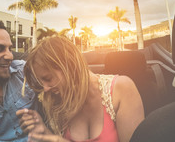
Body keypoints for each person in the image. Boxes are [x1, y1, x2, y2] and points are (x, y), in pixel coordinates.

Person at [16, 36, 144, 142]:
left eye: (48, 78)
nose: (45, 89)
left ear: (69, 66)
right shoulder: (57, 103)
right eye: (41, 82)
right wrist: (44, 131)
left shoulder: (121, 89)